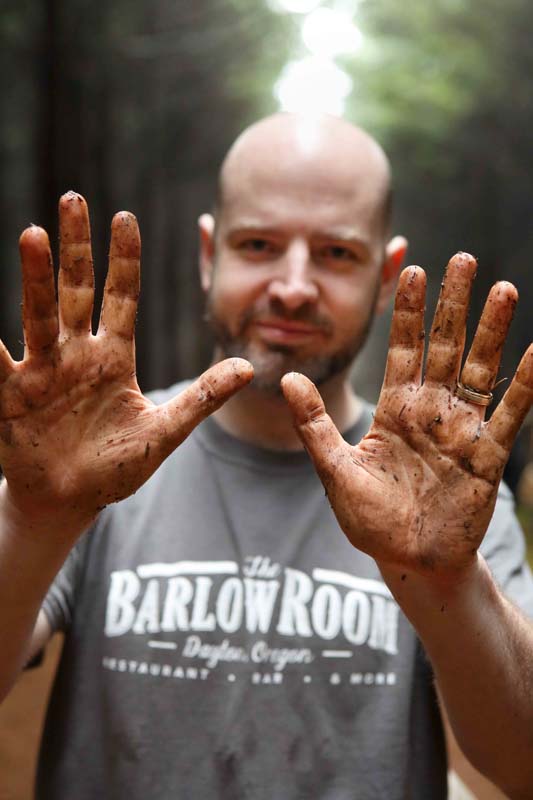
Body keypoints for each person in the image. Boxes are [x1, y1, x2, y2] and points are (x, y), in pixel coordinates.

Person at [0, 113, 532, 799]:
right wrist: (34, 517)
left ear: (384, 276)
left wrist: (447, 582)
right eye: (257, 244)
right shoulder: (96, 464)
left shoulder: (448, 490)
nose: (292, 286)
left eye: (337, 253)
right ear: (207, 253)